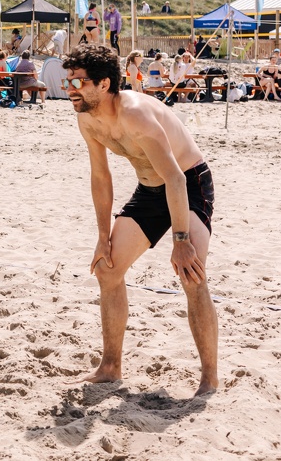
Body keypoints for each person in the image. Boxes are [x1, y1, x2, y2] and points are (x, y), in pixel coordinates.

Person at [61, 44, 218, 397]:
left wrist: (180, 242)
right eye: (67, 80)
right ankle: (111, 366)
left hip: (188, 183)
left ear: (104, 84)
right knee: (107, 268)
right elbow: (101, 177)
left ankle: (209, 377)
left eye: (78, 82)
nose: (69, 88)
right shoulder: (86, 116)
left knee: (192, 274)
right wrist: (104, 236)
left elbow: (176, 179)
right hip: (150, 191)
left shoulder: (134, 114)